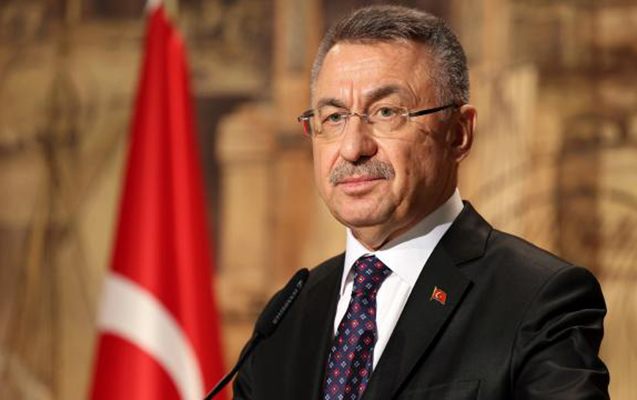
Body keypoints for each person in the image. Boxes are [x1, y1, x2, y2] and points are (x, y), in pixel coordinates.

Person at [233, 5, 609, 399]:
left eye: (386, 112)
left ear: (459, 133)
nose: (353, 147)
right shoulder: (285, 318)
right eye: (334, 117)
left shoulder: (538, 299)